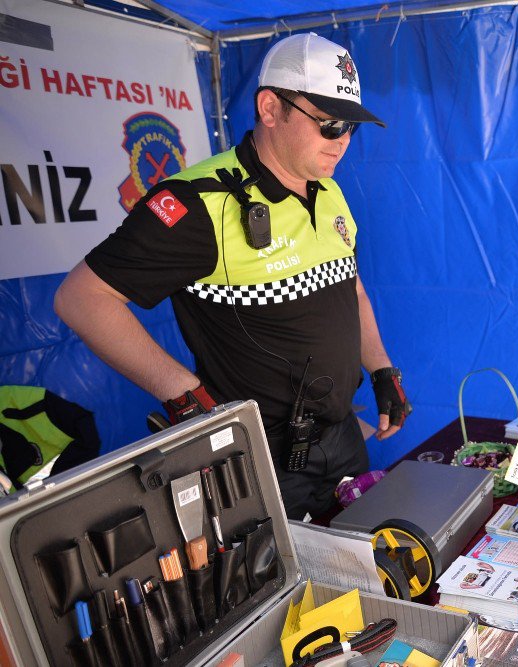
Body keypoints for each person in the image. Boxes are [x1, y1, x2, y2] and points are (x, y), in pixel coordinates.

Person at [54, 33, 412, 521]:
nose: (343, 140)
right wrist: (183, 395)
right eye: (329, 123)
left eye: (350, 126)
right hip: (256, 457)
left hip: (342, 437)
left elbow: (349, 287)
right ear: (270, 108)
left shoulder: (328, 191)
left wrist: (382, 369)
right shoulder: (198, 203)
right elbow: (82, 298)